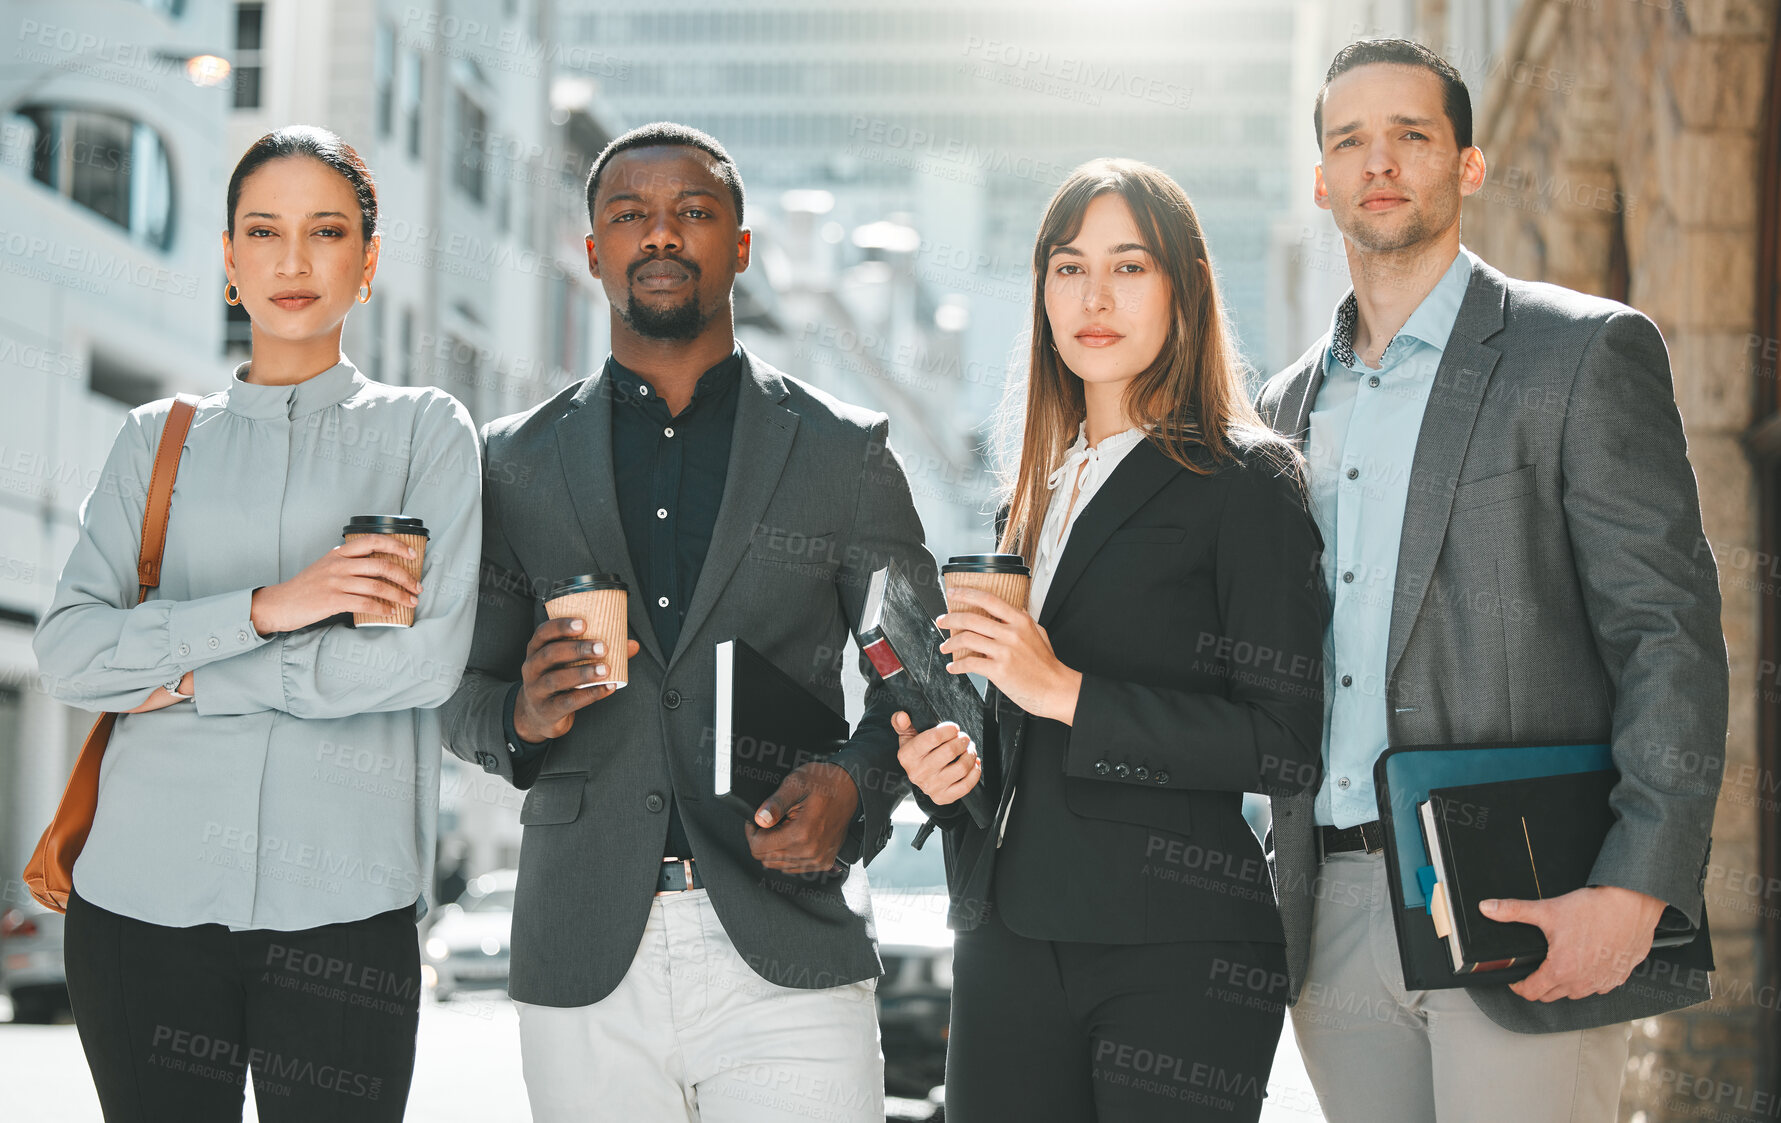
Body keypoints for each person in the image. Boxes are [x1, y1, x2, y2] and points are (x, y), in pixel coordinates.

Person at [1254, 39, 1726, 1122]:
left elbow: (1668, 634)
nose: (1379, 163)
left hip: (1531, 887)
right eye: (1349, 143)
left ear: (1465, 165)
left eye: (1410, 136)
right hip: (1329, 910)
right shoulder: (1280, 410)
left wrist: (1634, 883)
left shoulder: (1579, 353)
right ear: (1318, 181)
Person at [440, 122, 939, 1122]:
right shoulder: (511, 464)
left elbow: (921, 679)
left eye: (694, 212)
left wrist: (857, 786)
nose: (660, 235)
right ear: (592, 252)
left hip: (788, 940)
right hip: (585, 951)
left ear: (740, 246)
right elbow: (453, 689)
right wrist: (520, 715)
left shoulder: (844, 454)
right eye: (629, 215)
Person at [33, 126, 482, 1121]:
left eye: (325, 232)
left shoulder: (424, 432)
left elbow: (421, 662)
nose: (291, 261)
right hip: (137, 909)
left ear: (367, 263)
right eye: (262, 231)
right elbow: (69, 654)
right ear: (227, 260)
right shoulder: (155, 441)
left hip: (346, 920)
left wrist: (193, 674)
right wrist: (274, 608)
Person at [895, 158, 1327, 1122]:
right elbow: (1018, 729)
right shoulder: (1029, 497)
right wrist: (952, 762)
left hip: (1179, 946)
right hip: (1009, 930)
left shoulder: (1248, 478)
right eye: (1067, 267)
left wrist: (1068, 693)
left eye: (1129, 267)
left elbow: (1286, 745)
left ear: (1184, 288)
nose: (1094, 296)